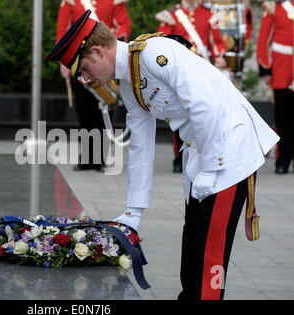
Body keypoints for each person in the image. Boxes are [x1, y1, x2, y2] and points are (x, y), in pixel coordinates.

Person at [46, 10, 279, 300]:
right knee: (191, 257)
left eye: (83, 70)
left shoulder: (152, 53)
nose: (84, 79)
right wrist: (133, 212)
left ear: (97, 50)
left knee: (208, 264)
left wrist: (210, 168)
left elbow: (204, 105)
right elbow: (141, 145)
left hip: (227, 155)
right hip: (203, 156)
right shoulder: (130, 78)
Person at [56, 0, 131, 171]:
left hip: (104, 61)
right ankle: (86, 157)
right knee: (84, 112)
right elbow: (63, 31)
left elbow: (124, 25)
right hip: (79, 61)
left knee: (105, 109)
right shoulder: (71, 2)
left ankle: (99, 158)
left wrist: (112, 44)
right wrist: (64, 62)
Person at [155, 0, 228, 173]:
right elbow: (163, 44)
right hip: (178, 73)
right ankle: (180, 158)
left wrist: (219, 55)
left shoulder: (209, 14)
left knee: (202, 114)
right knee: (179, 115)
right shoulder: (171, 16)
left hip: (202, 71)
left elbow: (216, 41)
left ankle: (203, 155)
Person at [257, 0, 294, 174]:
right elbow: (264, 39)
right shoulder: (275, 8)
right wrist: (266, 67)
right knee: (283, 119)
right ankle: (283, 160)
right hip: (282, 70)